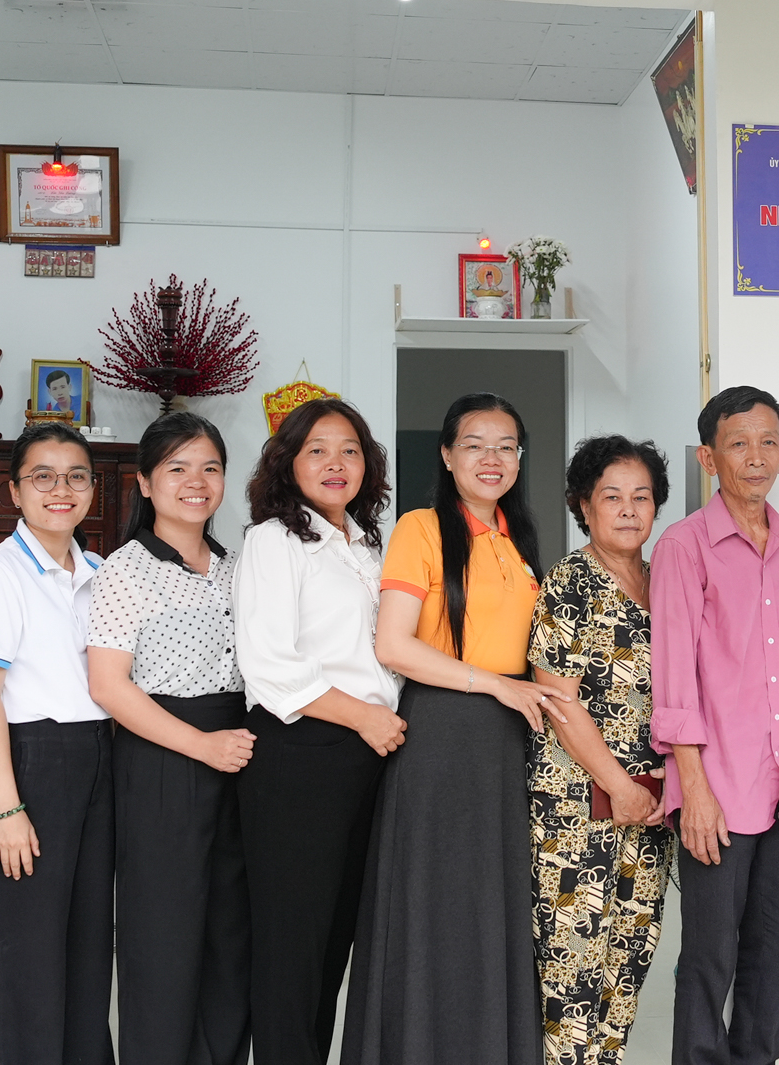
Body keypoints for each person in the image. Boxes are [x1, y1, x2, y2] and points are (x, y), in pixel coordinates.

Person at [345, 392, 559, 1065]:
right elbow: (393, 645)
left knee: (491, 906)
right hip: (442, 734)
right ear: (445, 455)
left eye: (506, 447)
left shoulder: (519, 539)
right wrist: (495, 684)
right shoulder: (422, 529)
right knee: (437, 905)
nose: (492, 459)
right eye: (474, 445)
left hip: (503, 740)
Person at [652, 386, 779, 1065]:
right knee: (711, 956)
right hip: (717, 787)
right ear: (709, 458)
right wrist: (693, 790)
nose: (755, 457)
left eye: (767, 443)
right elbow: (674, 677)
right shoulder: (683, 547)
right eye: (738, 444)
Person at [234, 399, 406, 1065]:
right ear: (288, 462)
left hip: (366, 756)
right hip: (301, 752)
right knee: (293, 949)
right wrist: (365, 716)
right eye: (318, 450)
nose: (336, 464)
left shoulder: (367, 545)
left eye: (350, 450)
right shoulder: (273, 540)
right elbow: (269, 665)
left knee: (336, 942)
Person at [88, 412, 253, 1065]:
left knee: (231, 937)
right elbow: (109, 686)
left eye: (210, 467)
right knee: (164, 938)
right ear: (145, 483)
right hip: (162, 760)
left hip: (239, 756)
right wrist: (201, 746)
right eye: (178, 468)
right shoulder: (125, 570)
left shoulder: (238, 567)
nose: (196, 481)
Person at [0, 421, 114, 1064]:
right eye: (42, 477)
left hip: (99, 758)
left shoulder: (101, 571)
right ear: (14, 492)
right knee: (27, 949)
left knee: (87, 944)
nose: (61, 489)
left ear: (93, 489)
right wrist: (8, 806)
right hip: (31, 763)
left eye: (76, 476)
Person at [527, 435, 677, 1065]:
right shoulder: (570, 580)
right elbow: (558, 701)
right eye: (611, 497)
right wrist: (618, 784)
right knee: (574, 966)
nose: (628, 509)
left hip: (651, 803)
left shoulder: (665, 582)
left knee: (630, 958)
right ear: (583, 506)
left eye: (641, 496)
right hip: (578, 804)